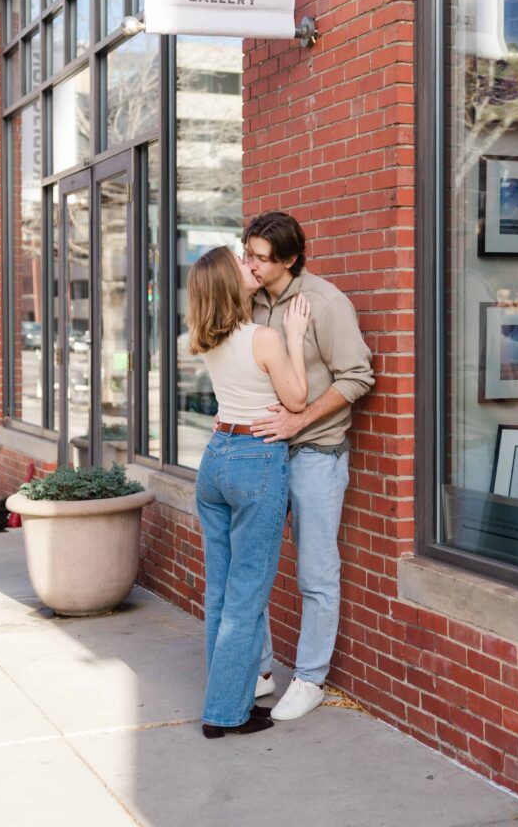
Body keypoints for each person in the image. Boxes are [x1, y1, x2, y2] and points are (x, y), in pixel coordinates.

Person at [242, 211, 374, 721]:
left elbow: (358, 377)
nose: (248, 263)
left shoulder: (324, 304)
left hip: (316, 454)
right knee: (255, 565)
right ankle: (260, 669)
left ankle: (311, 678)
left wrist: (301, 421)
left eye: (258, 257)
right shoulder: (248, 299)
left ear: (290, 259)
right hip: (261, 454)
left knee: (315, 573)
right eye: (246, 251)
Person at [187, 246, 311, 738]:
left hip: (216, 458)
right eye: (240, 263)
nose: (249, 265)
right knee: (247, 596)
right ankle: (223, 714)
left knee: (221, 590)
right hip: (256, 460)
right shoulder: (264, 337)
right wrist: (295, 338)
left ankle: (230, 698)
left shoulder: (208, 337)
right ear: (228, 282)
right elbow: (297, 398)